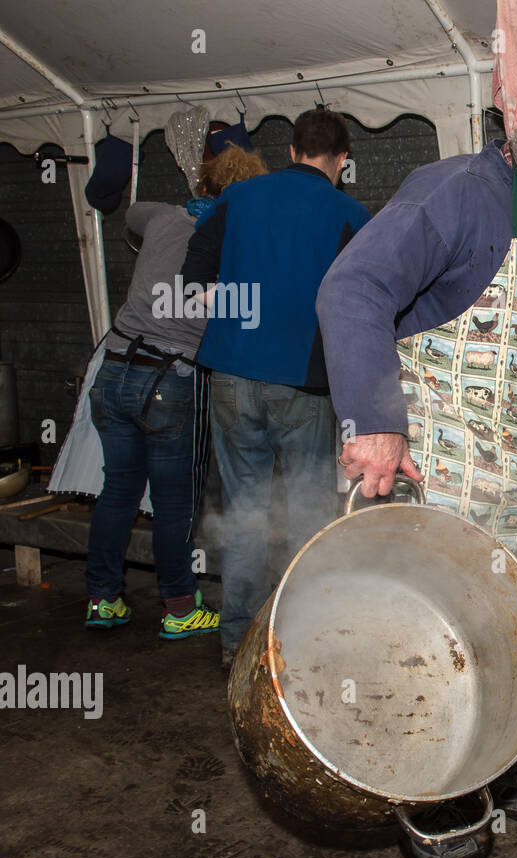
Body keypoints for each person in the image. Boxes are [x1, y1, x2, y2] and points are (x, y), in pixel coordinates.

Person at [314, 51, 517, 842]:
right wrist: (373, 419)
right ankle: (411, 793)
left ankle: (489, 777)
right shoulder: (457, 191)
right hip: (431, 483)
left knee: (495, 646)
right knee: (416, 652)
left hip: (512, 492)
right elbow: (352, 287)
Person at [181, 108, 370, 668]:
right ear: (341, 162)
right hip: (303, 386)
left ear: (290, 151)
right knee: (310, 513)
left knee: (244, 509)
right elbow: (362, 305)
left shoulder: (238, 198)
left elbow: (194, 273)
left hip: (230, 377)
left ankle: (235, 641)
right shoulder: (349, 213)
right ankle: (298, 644)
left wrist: (234, 317)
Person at [85, 145, 268, 638]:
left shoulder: (167, 217)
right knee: (172, 504)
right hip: (167, 381)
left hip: (114, 369)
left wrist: (182, 212)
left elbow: (133, 213)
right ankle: (180, 609)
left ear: (204, 187)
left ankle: (102, 599)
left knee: (118, 491)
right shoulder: (236, 239)